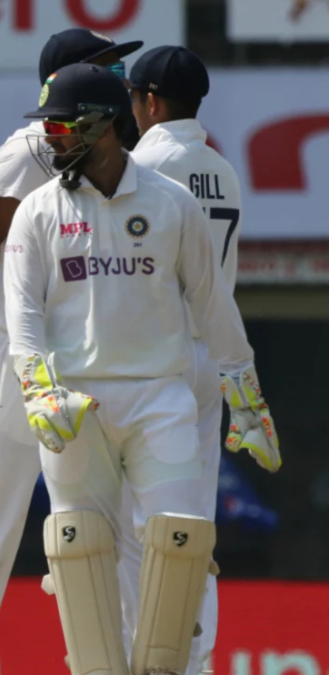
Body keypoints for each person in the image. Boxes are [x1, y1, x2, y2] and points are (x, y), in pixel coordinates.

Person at [3, 63, 280, 675]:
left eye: (59, 124)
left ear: (102, 125)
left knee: (180, 545)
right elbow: (19, 311)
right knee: (80, 559)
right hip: (73, 406)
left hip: (162, 396)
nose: (48, 138)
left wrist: (247, 395)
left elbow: (213, 304)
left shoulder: (171, 203)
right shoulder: (37, 211)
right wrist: (36, 386)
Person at [0, 29, 142, 674]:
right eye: (106, 67)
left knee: (97, 522)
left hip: (84, 356)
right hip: (18, 359)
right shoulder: (30, 148)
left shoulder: (121, 158)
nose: (119, 77)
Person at [120, 44, 269, 675]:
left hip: (158, 363)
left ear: (149, 101)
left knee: (137, 527)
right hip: (210, 358)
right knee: (193, 521)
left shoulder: (138, 168)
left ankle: (142, 656)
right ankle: (196, 660)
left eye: (131, 100)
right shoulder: (223, 169)